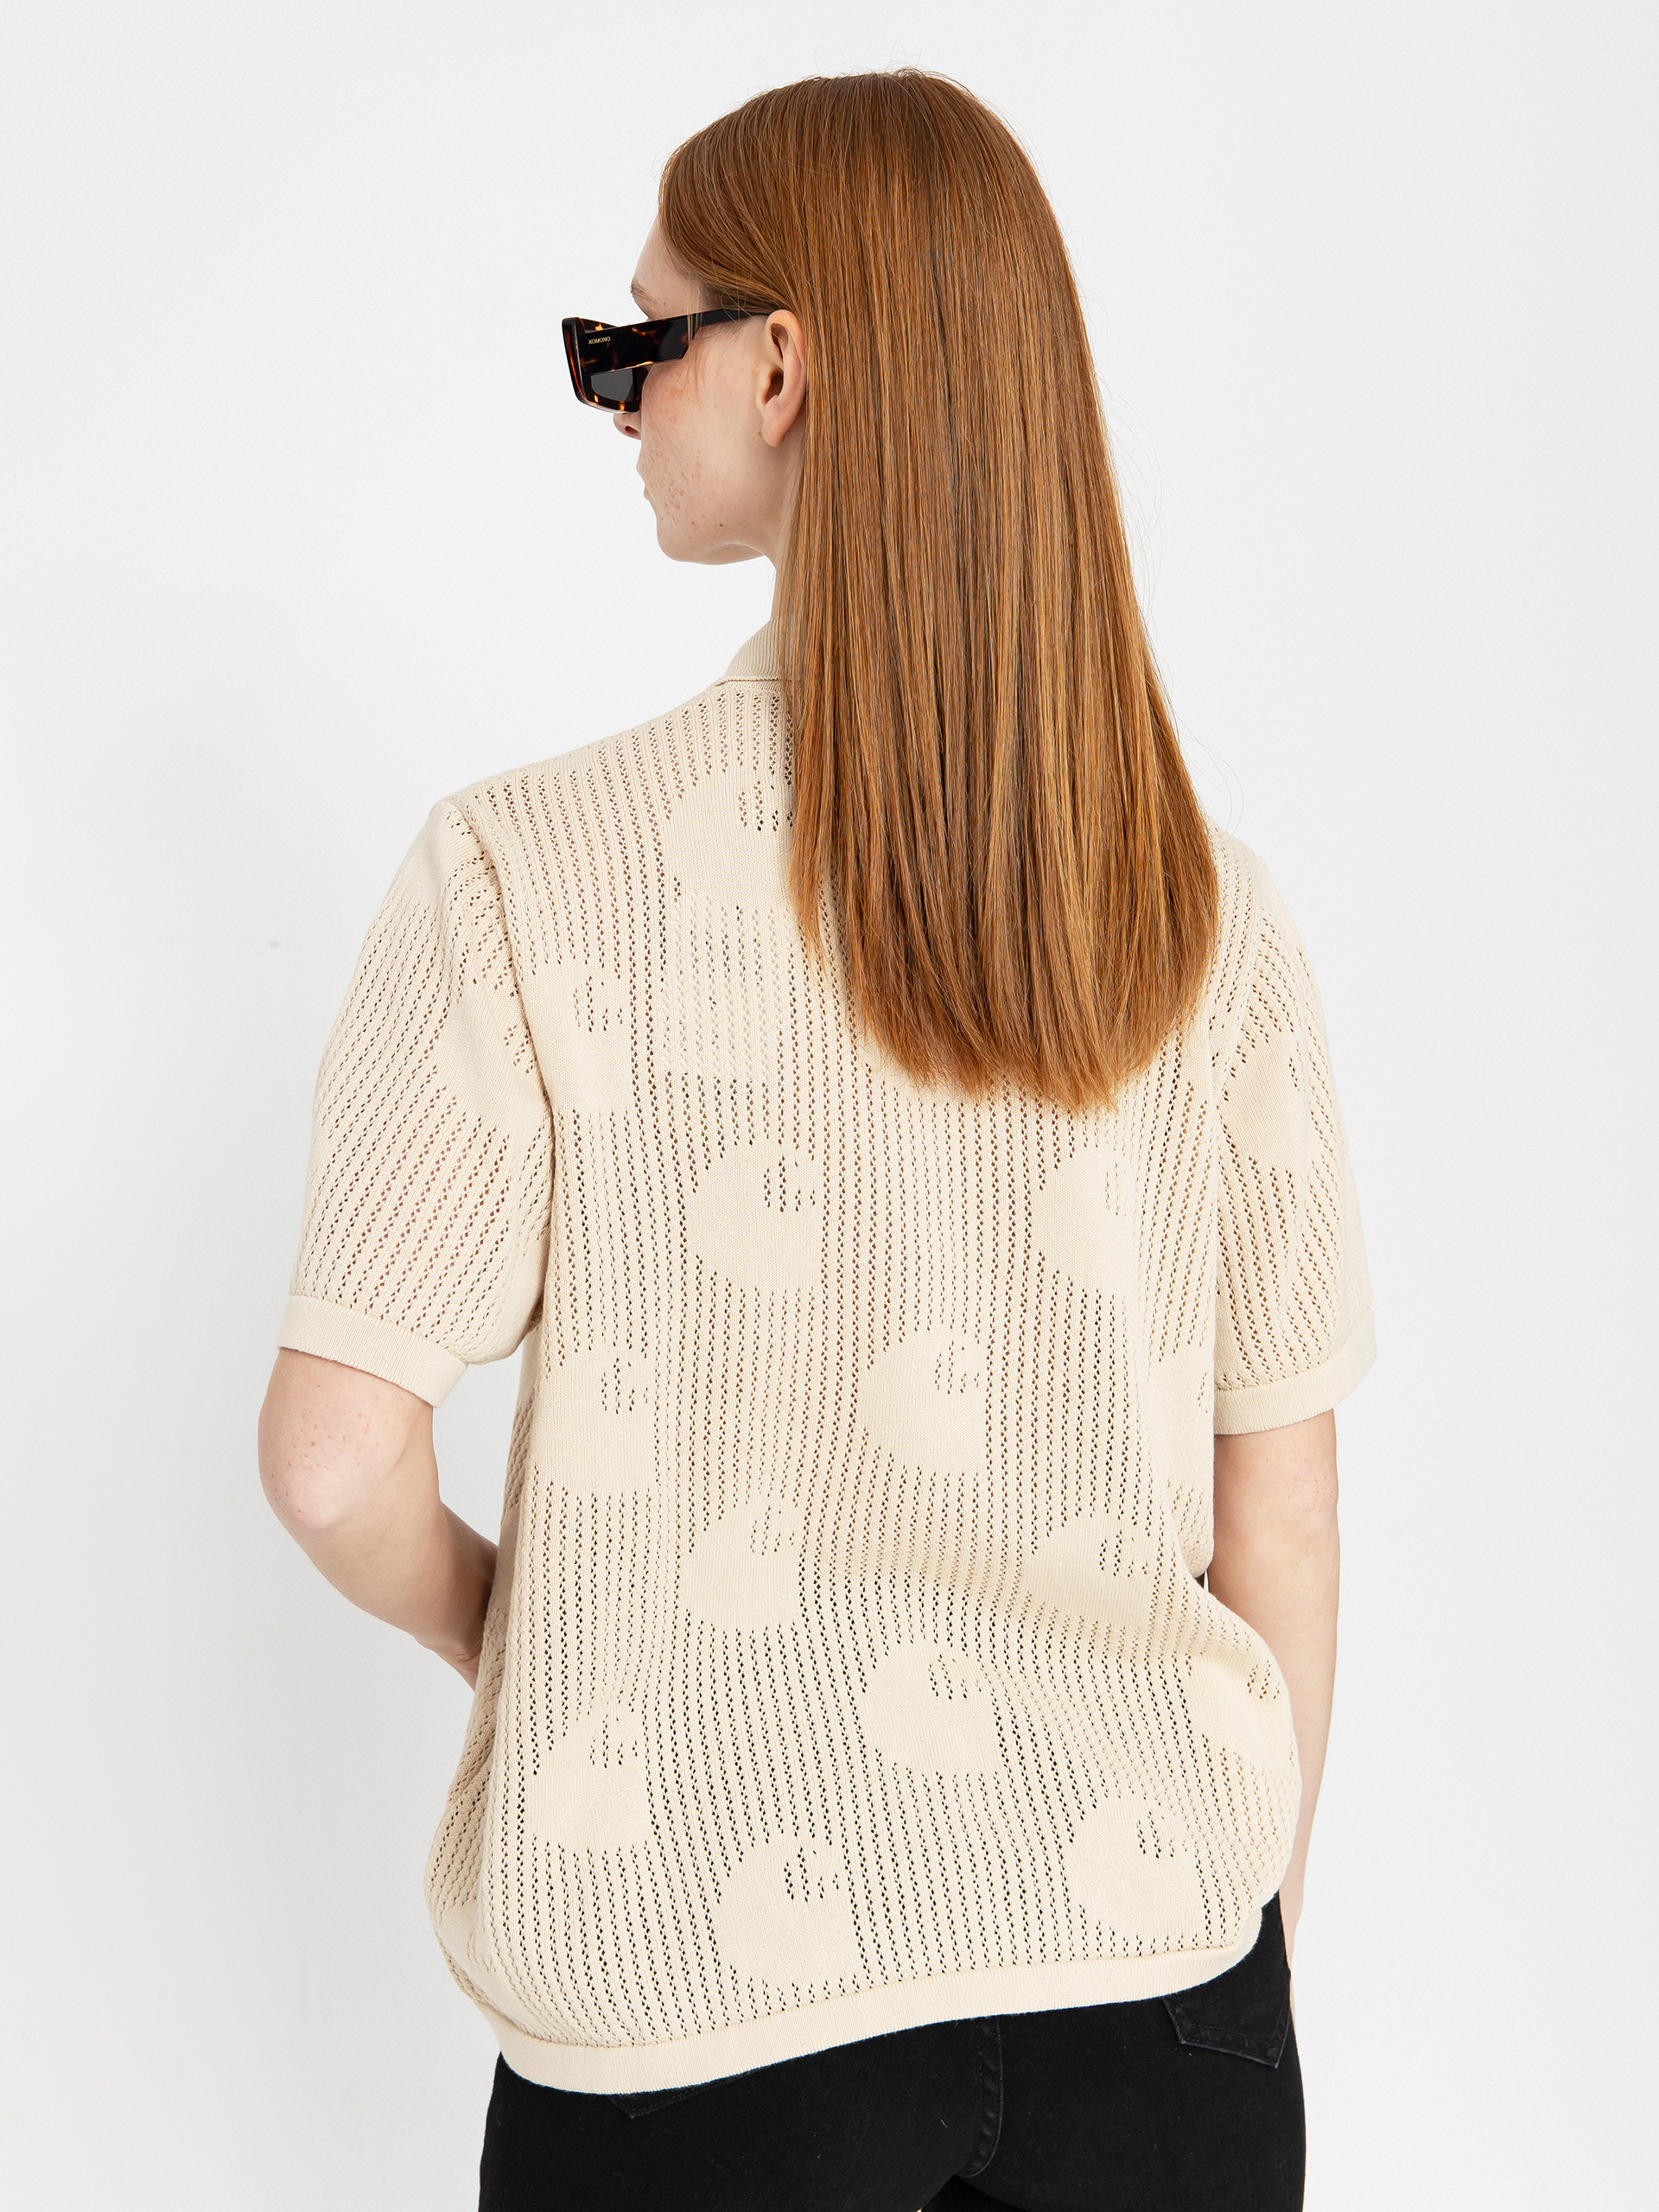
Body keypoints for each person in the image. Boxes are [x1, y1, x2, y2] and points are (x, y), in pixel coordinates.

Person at [257, 68, 1374, 2212]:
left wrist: (523, 1627)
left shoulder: (526, 871)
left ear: (779, 367)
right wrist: (1244, 1960)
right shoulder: (1205, 914)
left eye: (633, 344)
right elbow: (1290, 1514)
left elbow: (328, 1454)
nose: (612, 401)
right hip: (1160, 2002)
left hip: (699, 2016)